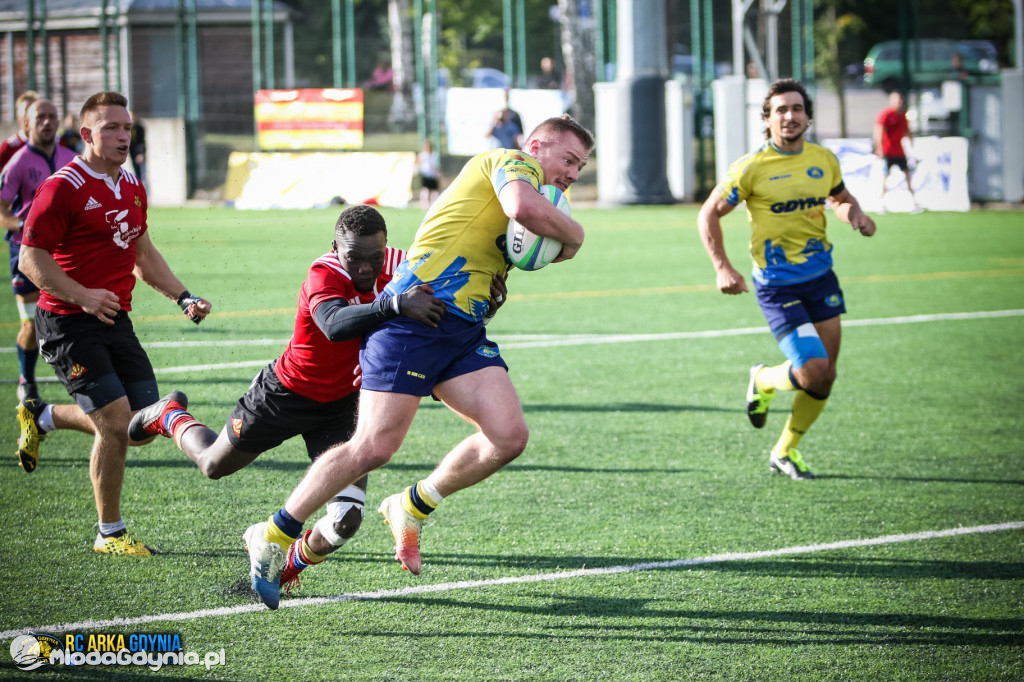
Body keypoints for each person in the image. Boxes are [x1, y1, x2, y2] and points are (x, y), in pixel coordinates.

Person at [242, 114, 594, 609]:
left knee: (508, 436)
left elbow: (528, 248)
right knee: (373, 447)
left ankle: (411, 505)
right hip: (413, 320)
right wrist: (576, 235)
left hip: (462, 330)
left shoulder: (535, 196)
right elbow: (525, 210)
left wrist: (500, 285)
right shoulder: (511, 162)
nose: (574, 174)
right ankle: (275, 535)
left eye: (581, 166)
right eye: (570, 160)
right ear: (536, 146)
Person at [126, 204, 450, 593]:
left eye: (374, 257)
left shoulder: (402, 265)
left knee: (346, 521)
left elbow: (448, 299)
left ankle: (283, 569)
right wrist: (395, 304)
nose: (365, 268)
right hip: (286, 393)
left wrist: (487, 296)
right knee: (213, 465)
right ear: (335, 248)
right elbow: (333, 324)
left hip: (345, 406)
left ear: (386, 247)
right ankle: (170, 415)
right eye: (354, 258)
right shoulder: (324, 272)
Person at [18, 91, 212, 555]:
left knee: (137, 427)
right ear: (87, 134)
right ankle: (109, 533)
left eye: (127, 127)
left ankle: (42, 417)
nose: (123, 135)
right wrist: (82, 295)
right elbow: (30, 258)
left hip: (114, 320)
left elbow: (143, 254)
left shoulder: (132, 185)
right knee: (116, 425)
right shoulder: (62, 187)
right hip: (67, 323)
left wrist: (183, 296)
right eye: (111, 128)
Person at [697, 78, 876, 481]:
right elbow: (708, 213)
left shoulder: (823, 159)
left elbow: (839, 198)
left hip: (821, 278)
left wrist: (854, 215)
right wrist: (722, 266)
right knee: (812, 368)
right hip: (778, 284)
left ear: (808, 117)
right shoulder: (751, 167)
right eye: (780, 109)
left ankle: (784, 451)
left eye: (797, 108)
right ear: (767, 119)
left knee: (825, 376)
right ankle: (762, 379)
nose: (789, 116)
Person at [0, 99, 78, 406]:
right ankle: (26, 380)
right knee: (32, 324)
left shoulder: (72, 159)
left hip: (65, 252)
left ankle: (83, 377)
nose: (47, 122)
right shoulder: (18, 163)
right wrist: (24, 224)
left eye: (51, 116)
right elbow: (1, 209)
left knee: (76, 317)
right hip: (26, 253)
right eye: (40, 117)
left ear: (58, 121)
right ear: (27, 124)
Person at [873, 91, 921, 213]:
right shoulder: (885, 114)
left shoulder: (903, 116)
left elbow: (907, 132)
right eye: (897, 100)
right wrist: (879, 148)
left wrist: (912, 147)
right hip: (888, 152)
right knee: (885, 177)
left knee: (907, 176)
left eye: (900, 100)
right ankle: (881, 203)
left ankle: (914, 202)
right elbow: (878, 131)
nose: (899, 102)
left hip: (899, 152)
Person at [0, 91, 39, 171]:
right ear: (18, 116)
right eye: (26, 110)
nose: (29, 114)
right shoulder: (9, 147)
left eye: (33, 109)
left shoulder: (56, 144)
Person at [416, 139, 442, 207]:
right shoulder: (422, 155)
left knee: (435, 191)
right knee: (426, 190)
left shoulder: (434, 155)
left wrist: (438, 173)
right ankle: (425, 205)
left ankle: (434, 204)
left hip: (433, 175)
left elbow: (436, 165)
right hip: (425, 175)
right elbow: (417, 163)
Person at [128, 111, 146, 187]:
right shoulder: (129, 129)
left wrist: (140, 154)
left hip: (139, 155)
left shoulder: (139, 128)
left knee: (142, 175)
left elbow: (141, 142)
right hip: (132, 154)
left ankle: (142, 191)